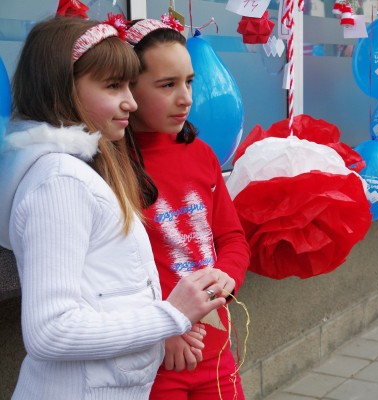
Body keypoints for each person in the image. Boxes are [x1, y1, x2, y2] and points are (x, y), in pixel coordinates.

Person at [0, 16, 227, 400]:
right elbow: (50, 331)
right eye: (112, 86)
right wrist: (171, 316)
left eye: (129, 84)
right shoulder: (62, 182)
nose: (131, 101)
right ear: (62, 92)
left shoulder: (82, 171)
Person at [124, 17, 250, 400]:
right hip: (155, 360)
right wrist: (166, 327)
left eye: (189, 82)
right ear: (128, 89)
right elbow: (115, 271)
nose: (186, 98)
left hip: (217, 355)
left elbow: (231, 238)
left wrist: (227, 278)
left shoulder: (202, 154)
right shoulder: (114, 164)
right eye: (167, 85)